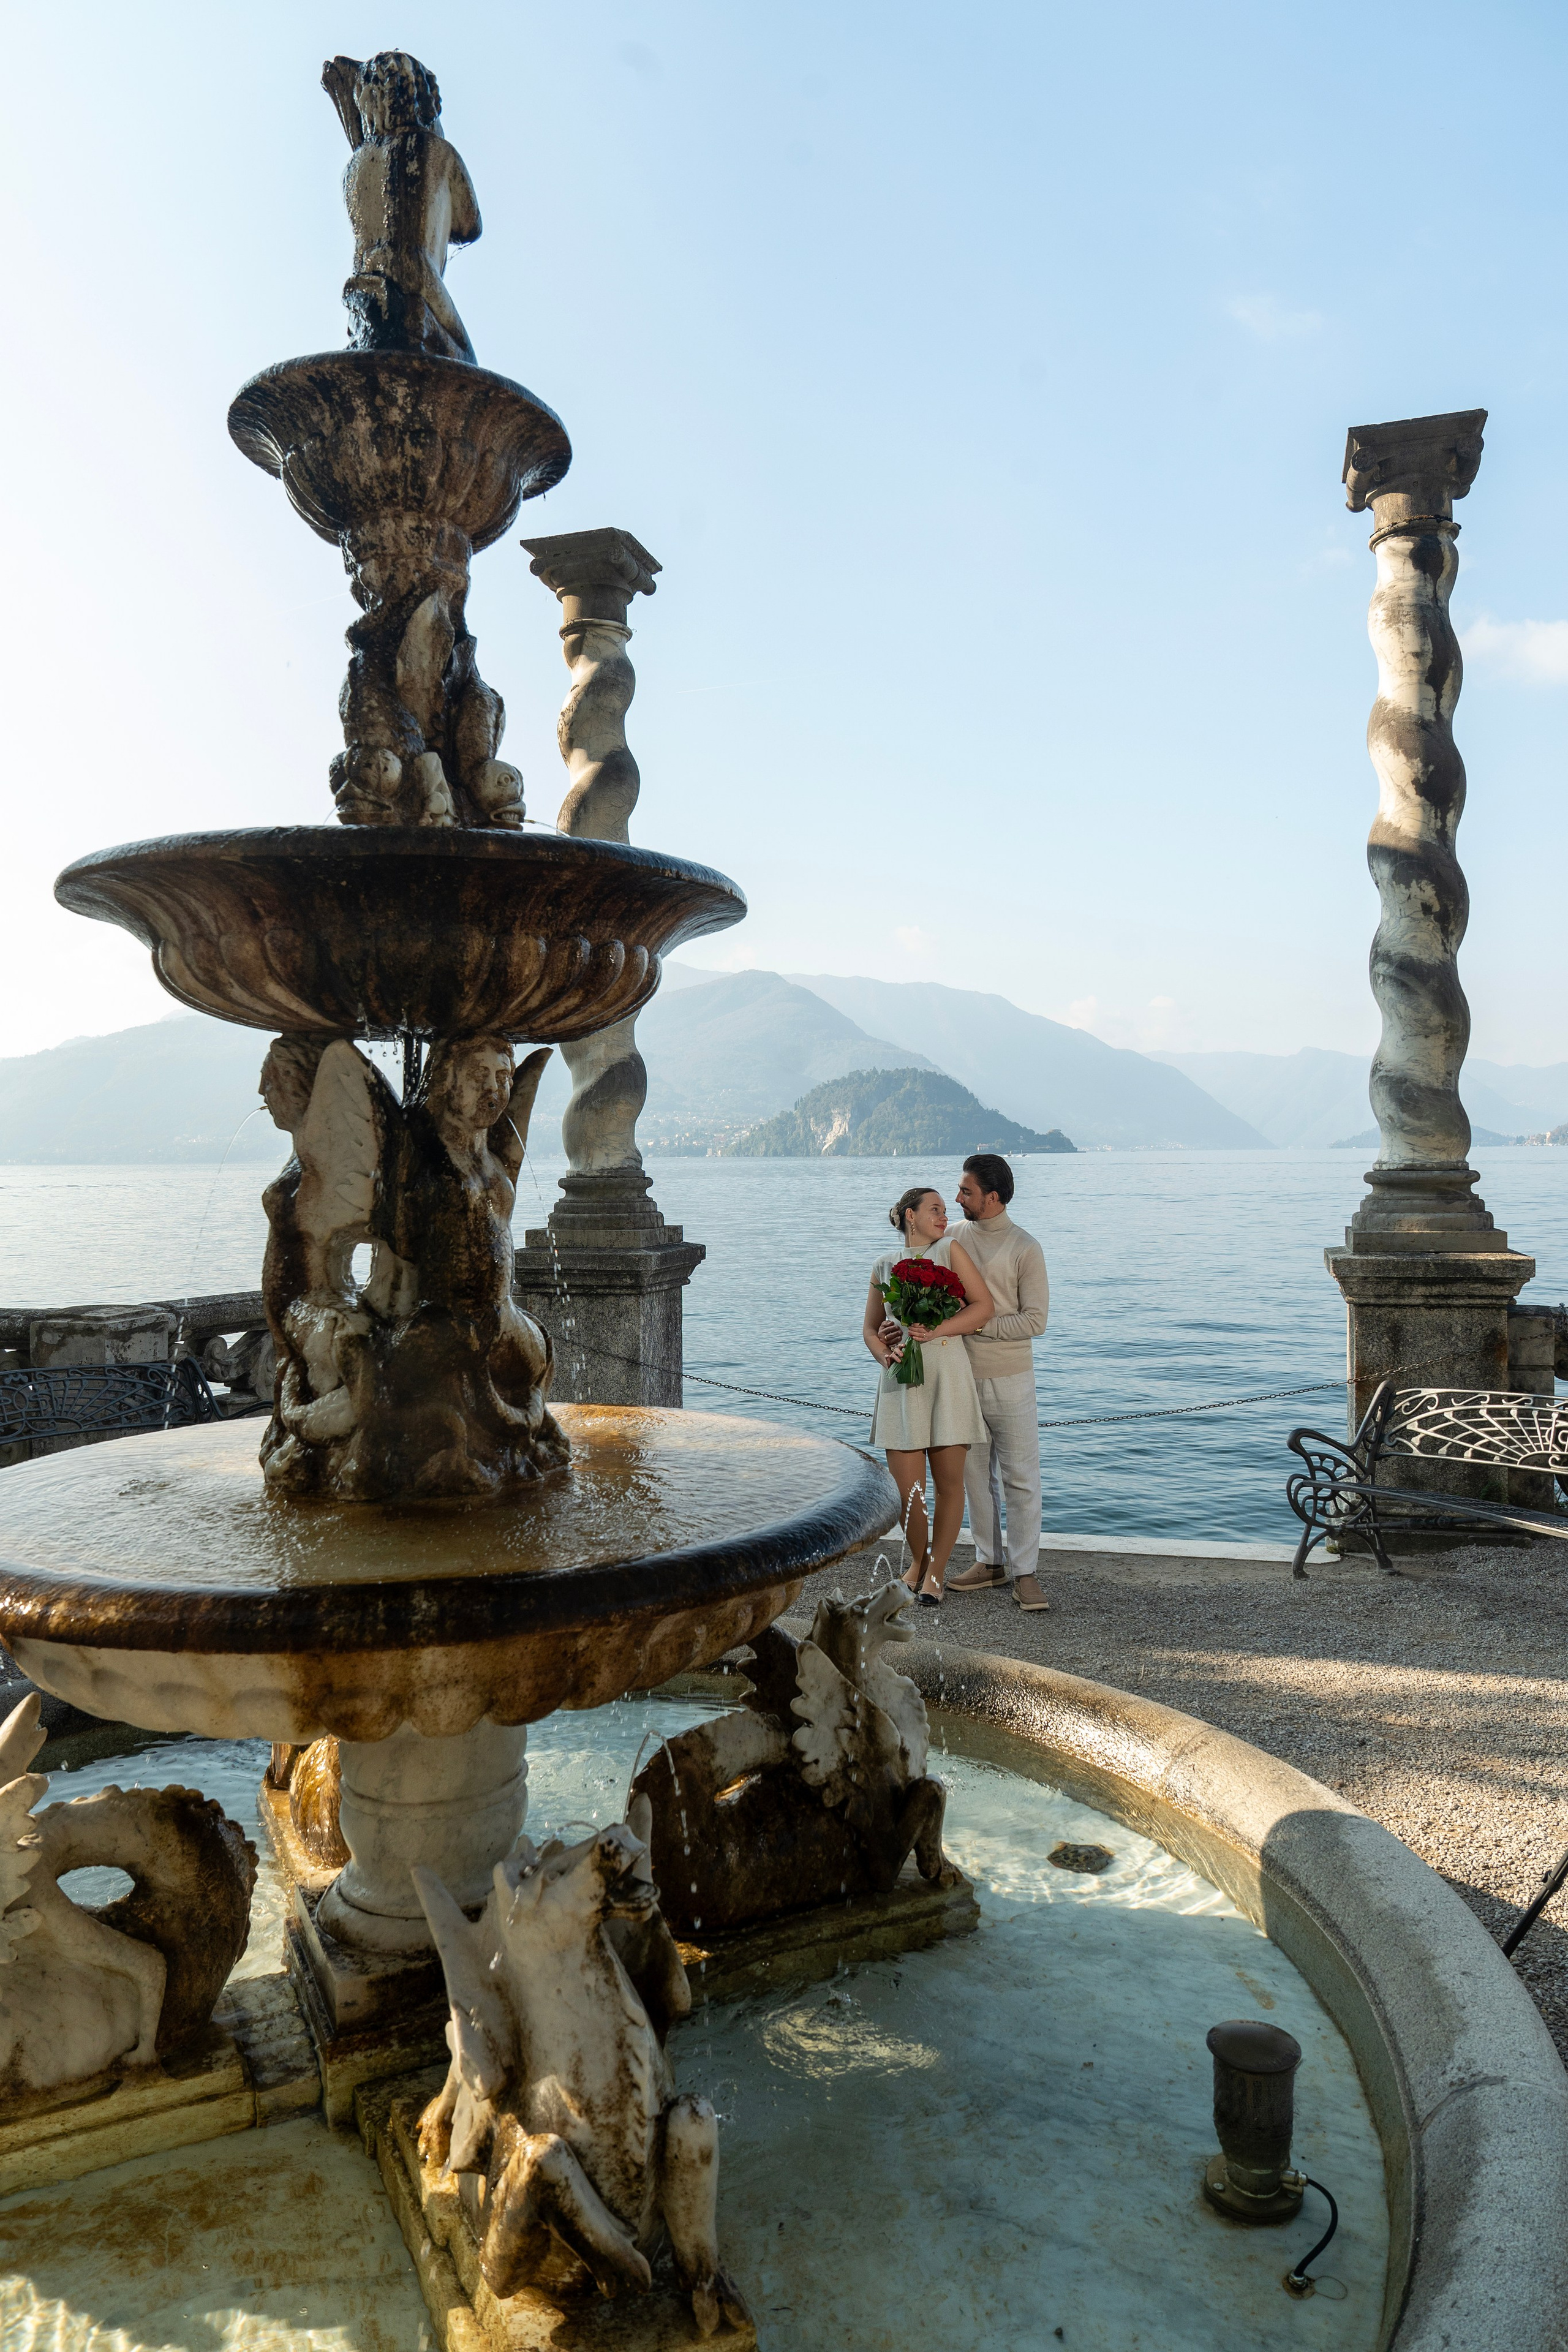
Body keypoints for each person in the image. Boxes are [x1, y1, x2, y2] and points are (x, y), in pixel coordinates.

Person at [862, 1185, 994, 1607]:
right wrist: (885, 1354)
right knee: (908, 1492)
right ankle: (918, 1561)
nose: (943, 1215)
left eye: (944, 1209)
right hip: (901, 1379)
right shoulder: (884, 1265)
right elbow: (870, 1327)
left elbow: (983, 1307)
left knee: (950, 1484)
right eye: (934, 1210)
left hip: (947, 1373)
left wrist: (935, 1330)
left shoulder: (950, 1250)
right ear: (909, 1215)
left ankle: (934, 1572)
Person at [942, 1153, 1050, 1611]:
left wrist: (976, 1323)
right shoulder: (952, 1239)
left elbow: (1036, 1321)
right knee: (973, 1477)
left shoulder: (1026, 1247)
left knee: (1020, 1480)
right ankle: (990, 1563)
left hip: (1011, 1380)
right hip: (961, 1377)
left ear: (993, 1197)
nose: (957, 1197)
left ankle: (1025, 1573)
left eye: (966, 1191)